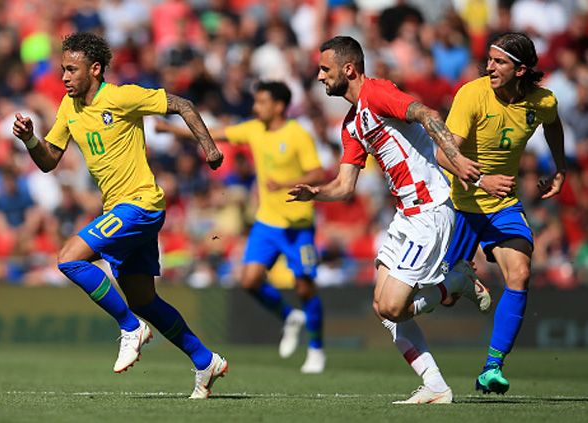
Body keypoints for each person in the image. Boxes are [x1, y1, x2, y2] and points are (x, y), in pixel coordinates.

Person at [12, 32, 227, 399]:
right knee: (144, 299)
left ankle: (131, 328)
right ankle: (205, 360)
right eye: (62, 69)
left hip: (140, 204)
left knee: (68, 258)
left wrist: (209, 148)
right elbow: (49, 161)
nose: (64, 77)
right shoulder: (68, 108)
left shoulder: (122, 96)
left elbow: (183, 104)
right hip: (121, 210)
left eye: (71, 69)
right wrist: (31, 139)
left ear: (94, 70)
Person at [289, 36, 487, 404]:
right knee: (383, 309)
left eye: (324, 69)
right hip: (404, 216)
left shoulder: (378, 93)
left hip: (429, 209)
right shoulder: (351, 124)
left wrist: (456, 160)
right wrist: (317, 194)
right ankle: (436, 387)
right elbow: (345, 186)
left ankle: (456, 281)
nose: (319, 77)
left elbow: (428, 114)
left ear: (349, 69)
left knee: (395, 306)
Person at [158, 81, 327, 373]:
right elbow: (215, 134)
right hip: (267, 223)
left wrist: (285, 184)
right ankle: (289, 317)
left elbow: (318, 171)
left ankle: (316, 349)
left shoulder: (298, 134)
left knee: (305, 286)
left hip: (299, 225)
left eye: (261, 101)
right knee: (249, 280)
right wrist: (171, 130)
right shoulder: (253, 129)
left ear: (278, 106)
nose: (255, 106)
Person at [437, 32, 566, 395]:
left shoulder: (543, 101)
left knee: (521, 273)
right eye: (489, 60)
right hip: (461, 204)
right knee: (443, 298)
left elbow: (553, 123)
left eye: (499, 62)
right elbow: (443, 155)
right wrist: (483, 181)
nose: (489, 67)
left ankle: (492, 367)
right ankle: (460, 282)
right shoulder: (471, 94)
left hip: (503, 205)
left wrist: (559, 168)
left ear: (521, 70)